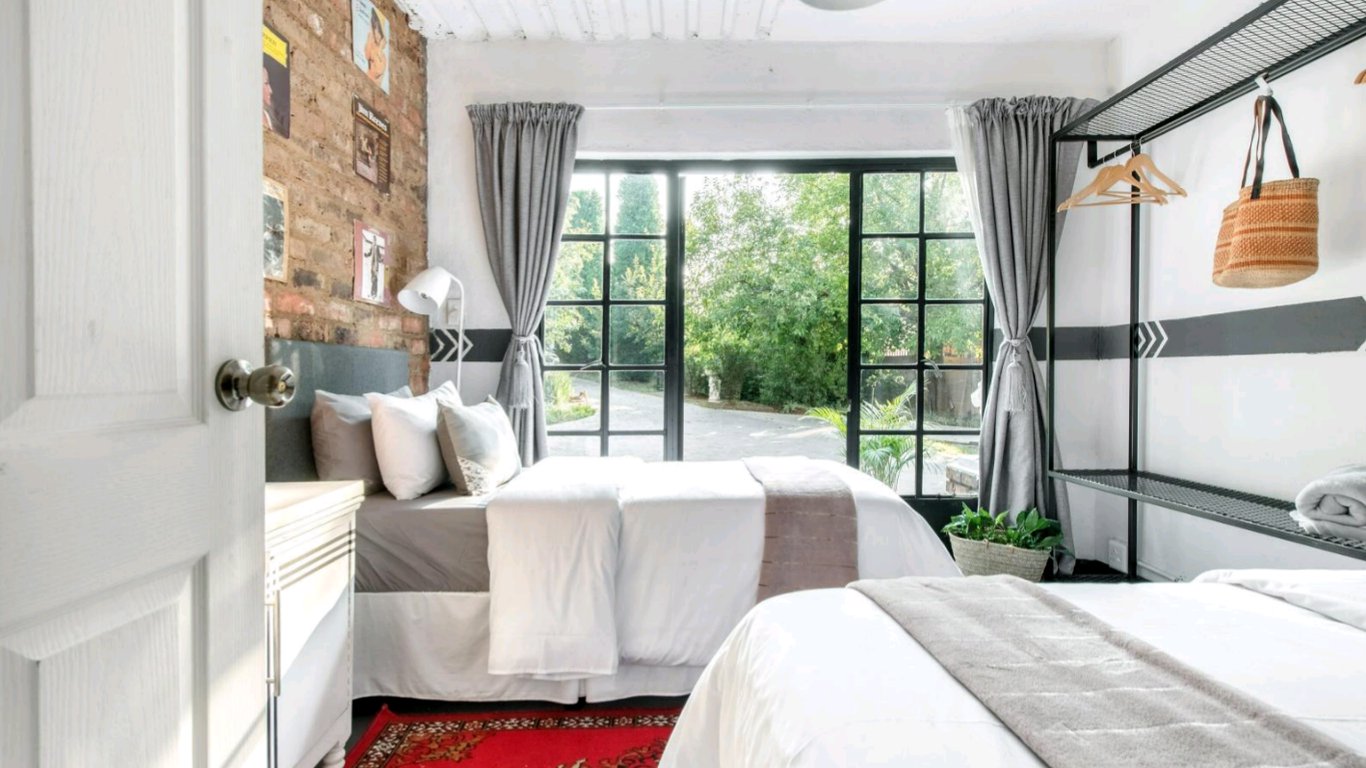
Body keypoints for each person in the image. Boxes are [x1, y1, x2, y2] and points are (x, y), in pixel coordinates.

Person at [364, 10, 388, 86]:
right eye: (375, 30)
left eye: (379, 32)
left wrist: (380, 49)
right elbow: (367, 54)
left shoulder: (383, 57)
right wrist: (371, 34)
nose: (377, 35)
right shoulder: (372, 43)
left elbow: (378, 71)